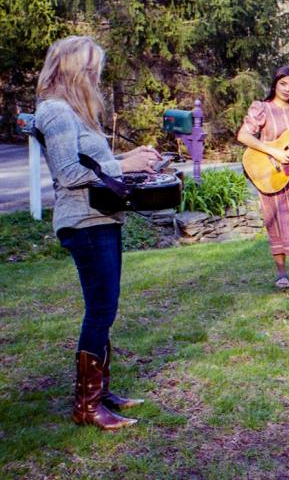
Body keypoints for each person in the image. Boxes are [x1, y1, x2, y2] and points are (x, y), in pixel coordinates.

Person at [35, 35, 161, 430]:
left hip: (102, 218)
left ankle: (100, 393)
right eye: (90, 70)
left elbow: (95, 164)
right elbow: (69, 173)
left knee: (105, 308)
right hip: (84, 222)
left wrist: (129, 158)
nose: (96, 77)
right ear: (71, 68)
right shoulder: (55, 112)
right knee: (101, 309)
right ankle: (87, 406)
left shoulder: (74, 112)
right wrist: (124, 166)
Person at [237, 66, 289, 289]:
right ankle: (282, 273)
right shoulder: (262, 108)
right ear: (275, 83)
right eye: (283, 84)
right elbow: (243, 135)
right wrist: (273, 151)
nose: (287, 89)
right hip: (271, 172)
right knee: (276, 221)